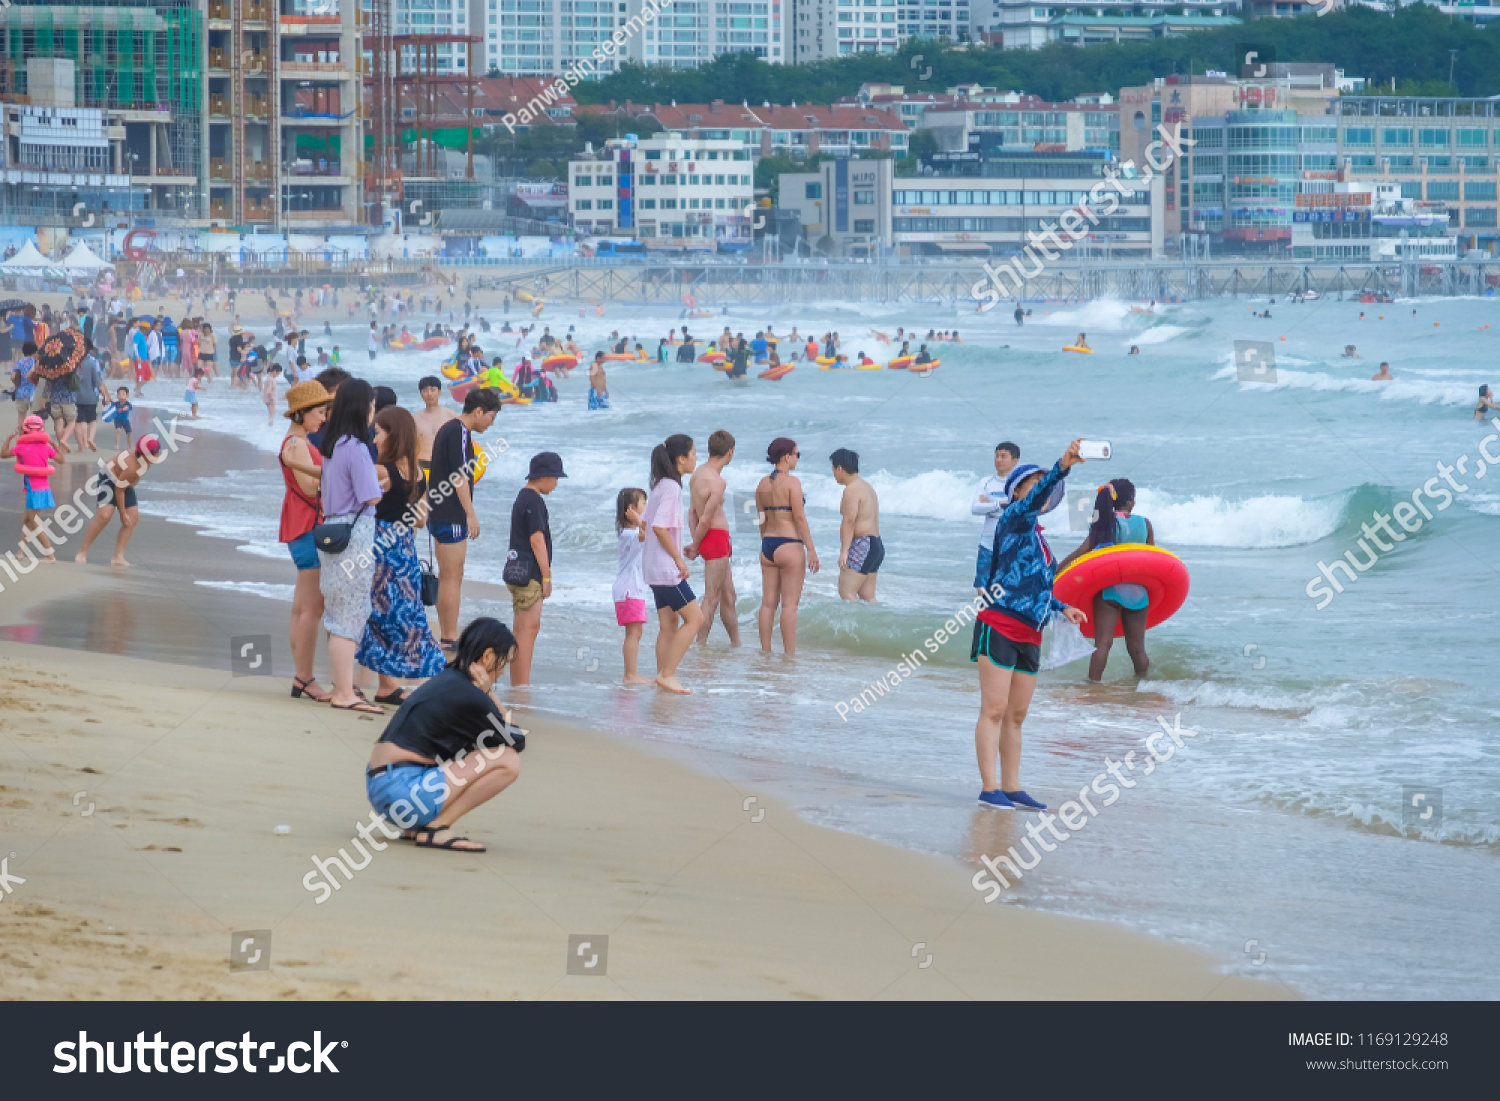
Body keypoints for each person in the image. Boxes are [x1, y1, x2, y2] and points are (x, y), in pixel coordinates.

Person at [971, 441, 1090, 811]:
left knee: (1017, 715)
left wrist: (1061, 606)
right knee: (993, 708)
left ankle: (1011, 785)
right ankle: (989, 788)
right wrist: (1062, 466)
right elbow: (1033, 496)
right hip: (1000, 622)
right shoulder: (1013, 519)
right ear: (1018, 491)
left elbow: (1035, 584)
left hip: (1031, 630)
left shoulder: (1038, 537)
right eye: (1034, 482)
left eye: (1044, 483)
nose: (1042, 488)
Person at [365, 617, 523, 852]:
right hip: (402, 793)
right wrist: (490, 693)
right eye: (504, 662)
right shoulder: (471, 694)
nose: (503, 671)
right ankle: (436, 828)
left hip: (383, 787)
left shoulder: (449, 679)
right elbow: (516, 740)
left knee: (472, 747)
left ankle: (418, 826)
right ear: (488, 656)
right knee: (508, 760)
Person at [356, 406, 446, 703]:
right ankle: (389, 685)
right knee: (404, 613)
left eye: (378, 432)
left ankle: (380, 682)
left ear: (392, 434)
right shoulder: (419, 472)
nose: (374, 438)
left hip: (379, 544)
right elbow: (421, 520)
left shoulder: (381, 470)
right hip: (404, 547)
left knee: (378, 614)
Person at [317, 378, 385, 715]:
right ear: (362, 407)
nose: (374, 411)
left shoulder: (333, 446)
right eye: (372, 405)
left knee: (336, 612)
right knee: (350, 614)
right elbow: (371, 495)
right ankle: (345, 691)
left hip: (332, 528)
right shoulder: (356, 448)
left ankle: (340, 687)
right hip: (355, 535)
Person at [1059, 478, 1153, 682]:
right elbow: (1152, 560)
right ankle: (1144, 687)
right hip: (1138, 593)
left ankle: (1093, 686)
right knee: (1138, 650)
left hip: (1110, 591)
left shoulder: (1106, 523)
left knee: (1102, 644)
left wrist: (1055, 571)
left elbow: (1082, 552)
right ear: (1132, 501)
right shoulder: (1145, 524)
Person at [427, 387, 501, 648]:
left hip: (440, 512)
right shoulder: (459, 431)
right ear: (479, 411)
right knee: (451, 576)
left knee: (451, 575)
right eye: (491, 417)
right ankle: (448, 636)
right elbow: (459, 476)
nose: (491, 423)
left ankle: (448, 634)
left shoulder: (449, 430)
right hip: (450, 513)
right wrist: (471, 514)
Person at [280, 380, 334, 704]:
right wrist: (335, 474)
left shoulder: (295, 441)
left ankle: (302, 675)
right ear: (302, 413)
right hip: (308, 525)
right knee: (313, 609)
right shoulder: (297, 444)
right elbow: (310, 488)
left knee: (302, 608)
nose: (323, 419)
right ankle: (305, 677)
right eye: (319, 412)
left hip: (300, 524)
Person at [642, 435, 703, 694]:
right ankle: (668, 674)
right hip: (667, 571)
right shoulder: (672, 488)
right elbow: (658, 527)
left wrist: (678, 549)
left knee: (669, 625)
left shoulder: (659, 486)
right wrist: (677, 558)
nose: (696, 458)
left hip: (653, 568)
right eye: (694, 453)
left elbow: (646, 523)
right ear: (681, 459)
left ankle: (662, 676)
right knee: (695, 619)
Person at [507, 451, 566, 687]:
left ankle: (517, 683)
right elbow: (537, 540)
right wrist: (546, 575)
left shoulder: (522, 497)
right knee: (528, 630)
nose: (556, 484)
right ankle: (521, 685)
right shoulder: (534, 501)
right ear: (544, 476)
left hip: (516, 569)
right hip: (530, 573)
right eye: (555, 478)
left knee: (521, 628)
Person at [756, 437, 818, 655]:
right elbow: (799, 519)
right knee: (789, 605)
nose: (797, 458)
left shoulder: (762, 483)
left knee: (767, 604)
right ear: (786, 457)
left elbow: (760, 520)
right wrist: (811, 549)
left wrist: (766, 542)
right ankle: (789, 656)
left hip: (768, 547)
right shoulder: (793, 483)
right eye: (796, 454)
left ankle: (765, 652)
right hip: (790, 545)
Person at [687, 429, 739, 646]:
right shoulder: (717, 483)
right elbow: (706, 519)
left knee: (729, 596)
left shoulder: (697, 474)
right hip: (714, 538)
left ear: (709, 450)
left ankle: (737, 644)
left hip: (712, 539)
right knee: (711, 598)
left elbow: (692, 513)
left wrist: (696, 540)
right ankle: (698, 645)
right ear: (730, 453)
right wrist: (696, 546)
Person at [75, 437, 160, 566]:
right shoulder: (131, 466)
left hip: (126, 483)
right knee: (104, 516)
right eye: (155, 453)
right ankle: (82, 552)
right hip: (109, 478)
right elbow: (119, 491)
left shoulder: (145, 458)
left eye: (157, 451)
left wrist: (127, 513)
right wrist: (122, 513)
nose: (158, 455)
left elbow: (126, 485)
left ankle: (118, 557)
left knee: (133, 518)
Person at [3, 415, 59, 562]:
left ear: (25, 430)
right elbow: (61, 459)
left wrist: (9, 438)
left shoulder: (22, 447)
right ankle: (21, 552)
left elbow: (3, 454)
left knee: (34, 523)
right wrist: (53, 444)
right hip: (42, 488)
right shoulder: (45, 447)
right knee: (27, 520)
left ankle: (50, 555)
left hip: (34, 489)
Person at [831, 448, 882, 602]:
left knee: (846, 591)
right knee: (868, 596)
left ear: (839, 468)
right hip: (875, 545)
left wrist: (844, 552)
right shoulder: (867, 486)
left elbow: (849, 521)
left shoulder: (852, 489)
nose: (833, 473)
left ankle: (850, 626)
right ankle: (873, 626)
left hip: (863, 544)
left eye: (833, 469)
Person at [613, 488, 653, 685]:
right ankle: (630, 674)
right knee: (634, 633)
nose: (647, 507)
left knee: (635, 633)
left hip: (630, 589)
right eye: (644, 503)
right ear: (632, 509)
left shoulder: (631, 532)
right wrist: (640, 522)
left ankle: (631, 673)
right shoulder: (630, 534)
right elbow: (650, 534)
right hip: (630, 590)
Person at [972, 441, 1020, 593]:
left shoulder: (1019, 483)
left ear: (1015, 460)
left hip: (1012, 544)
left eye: (1003, 456)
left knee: (1007, 588)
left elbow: (1019, 509)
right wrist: (999, 504)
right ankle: (982, 616)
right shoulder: (986, 482)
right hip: (987, 544)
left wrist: (990, 504)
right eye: (996, 456)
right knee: (982, 588)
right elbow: (975, 508)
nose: (998, 459)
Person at [73, 342, 106, 453]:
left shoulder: (73, 364)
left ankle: (82, 445)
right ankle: (90, 438)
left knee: (80, 421)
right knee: (92, 420)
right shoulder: (91, 364)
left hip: (76, 397)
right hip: (91, 397)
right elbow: (97, 382)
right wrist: (104, 396)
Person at [9, 340, 36, 430]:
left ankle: (21, 439)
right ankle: (33, 438)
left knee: (21, 418)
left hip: (21, 393)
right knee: (35, 419)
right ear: (35, 351)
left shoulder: (20, 363)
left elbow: (13, 377)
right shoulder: (37, 362)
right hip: (35, 394)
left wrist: (18, 384)